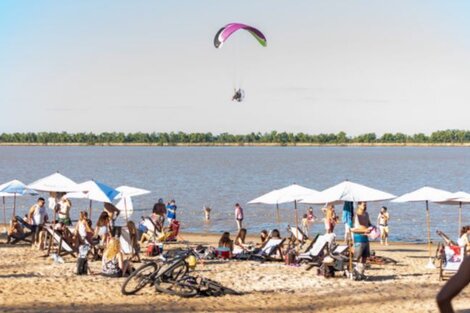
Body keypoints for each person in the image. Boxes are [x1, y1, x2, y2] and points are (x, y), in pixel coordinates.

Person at [351, 202, 371, 280]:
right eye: (363, 204)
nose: (365, 205)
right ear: (359, 205)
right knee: (357, 257)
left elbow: (369, 224)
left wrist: (373, 229)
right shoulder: (356, 215)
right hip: (358, 238)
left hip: (366, 238)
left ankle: (361, 273)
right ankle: (355, 273)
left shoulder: (366, 214)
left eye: (366, 204)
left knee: (365, 257)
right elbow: (352, 229)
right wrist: (364, 231)